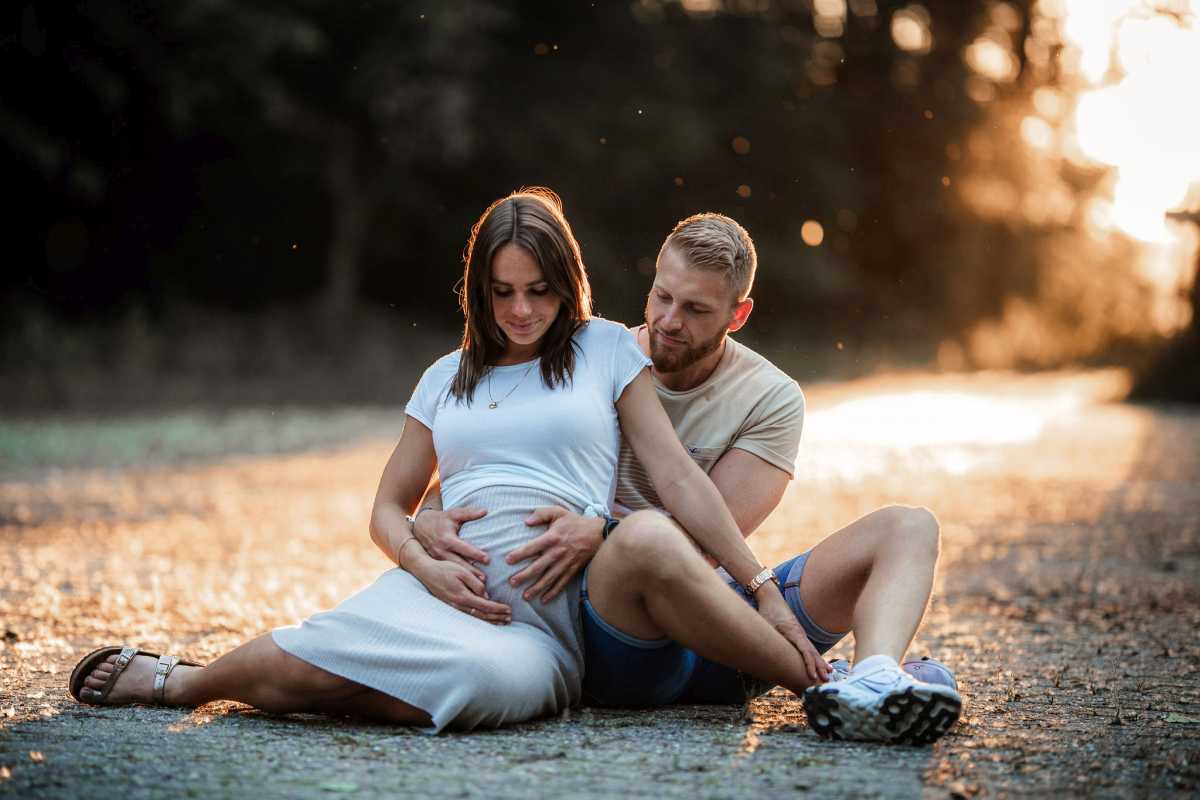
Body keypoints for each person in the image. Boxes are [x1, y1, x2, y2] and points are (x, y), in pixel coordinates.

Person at [68, 188, 825, 733]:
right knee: (311, 653)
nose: (521, 311)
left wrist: (756, 581)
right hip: (436, 592)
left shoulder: (605, 349)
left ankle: (323, 694)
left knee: (480, 684)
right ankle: (180, 682)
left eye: (538, 291)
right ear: (477, 291)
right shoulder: (443, 377)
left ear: (567, 287)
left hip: (537, 628)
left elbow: (677, 478)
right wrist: (421, 561)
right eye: (501, 292)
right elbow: (386, 508)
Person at [415, 212, 963, 744]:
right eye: (662, 296)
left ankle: (874, 680)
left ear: (738, 314)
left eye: (696, 309)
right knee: (642, 544)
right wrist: (433, 516)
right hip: (620, 629)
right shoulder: (594, 359)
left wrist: (604, 532)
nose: (669, 321)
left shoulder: (770, 398)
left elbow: (704, 545)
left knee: (909, 527)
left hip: (719, 618)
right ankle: (843, 685)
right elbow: (489, 466)